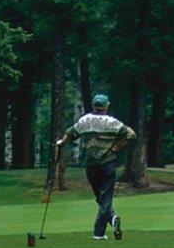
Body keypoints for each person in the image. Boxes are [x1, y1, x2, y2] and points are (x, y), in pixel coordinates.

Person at [55, 93, 135, 240]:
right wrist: (116, 148)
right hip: (108, 163)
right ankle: (107, 224)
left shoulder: (85, 120)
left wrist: (61, 142)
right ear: (106, 106)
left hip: (91, 165)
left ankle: (103, 228)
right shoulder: (112, 122)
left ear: (93, 105)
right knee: (104, 198)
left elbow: (70, 133)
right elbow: (131, 135)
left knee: (100, 197)